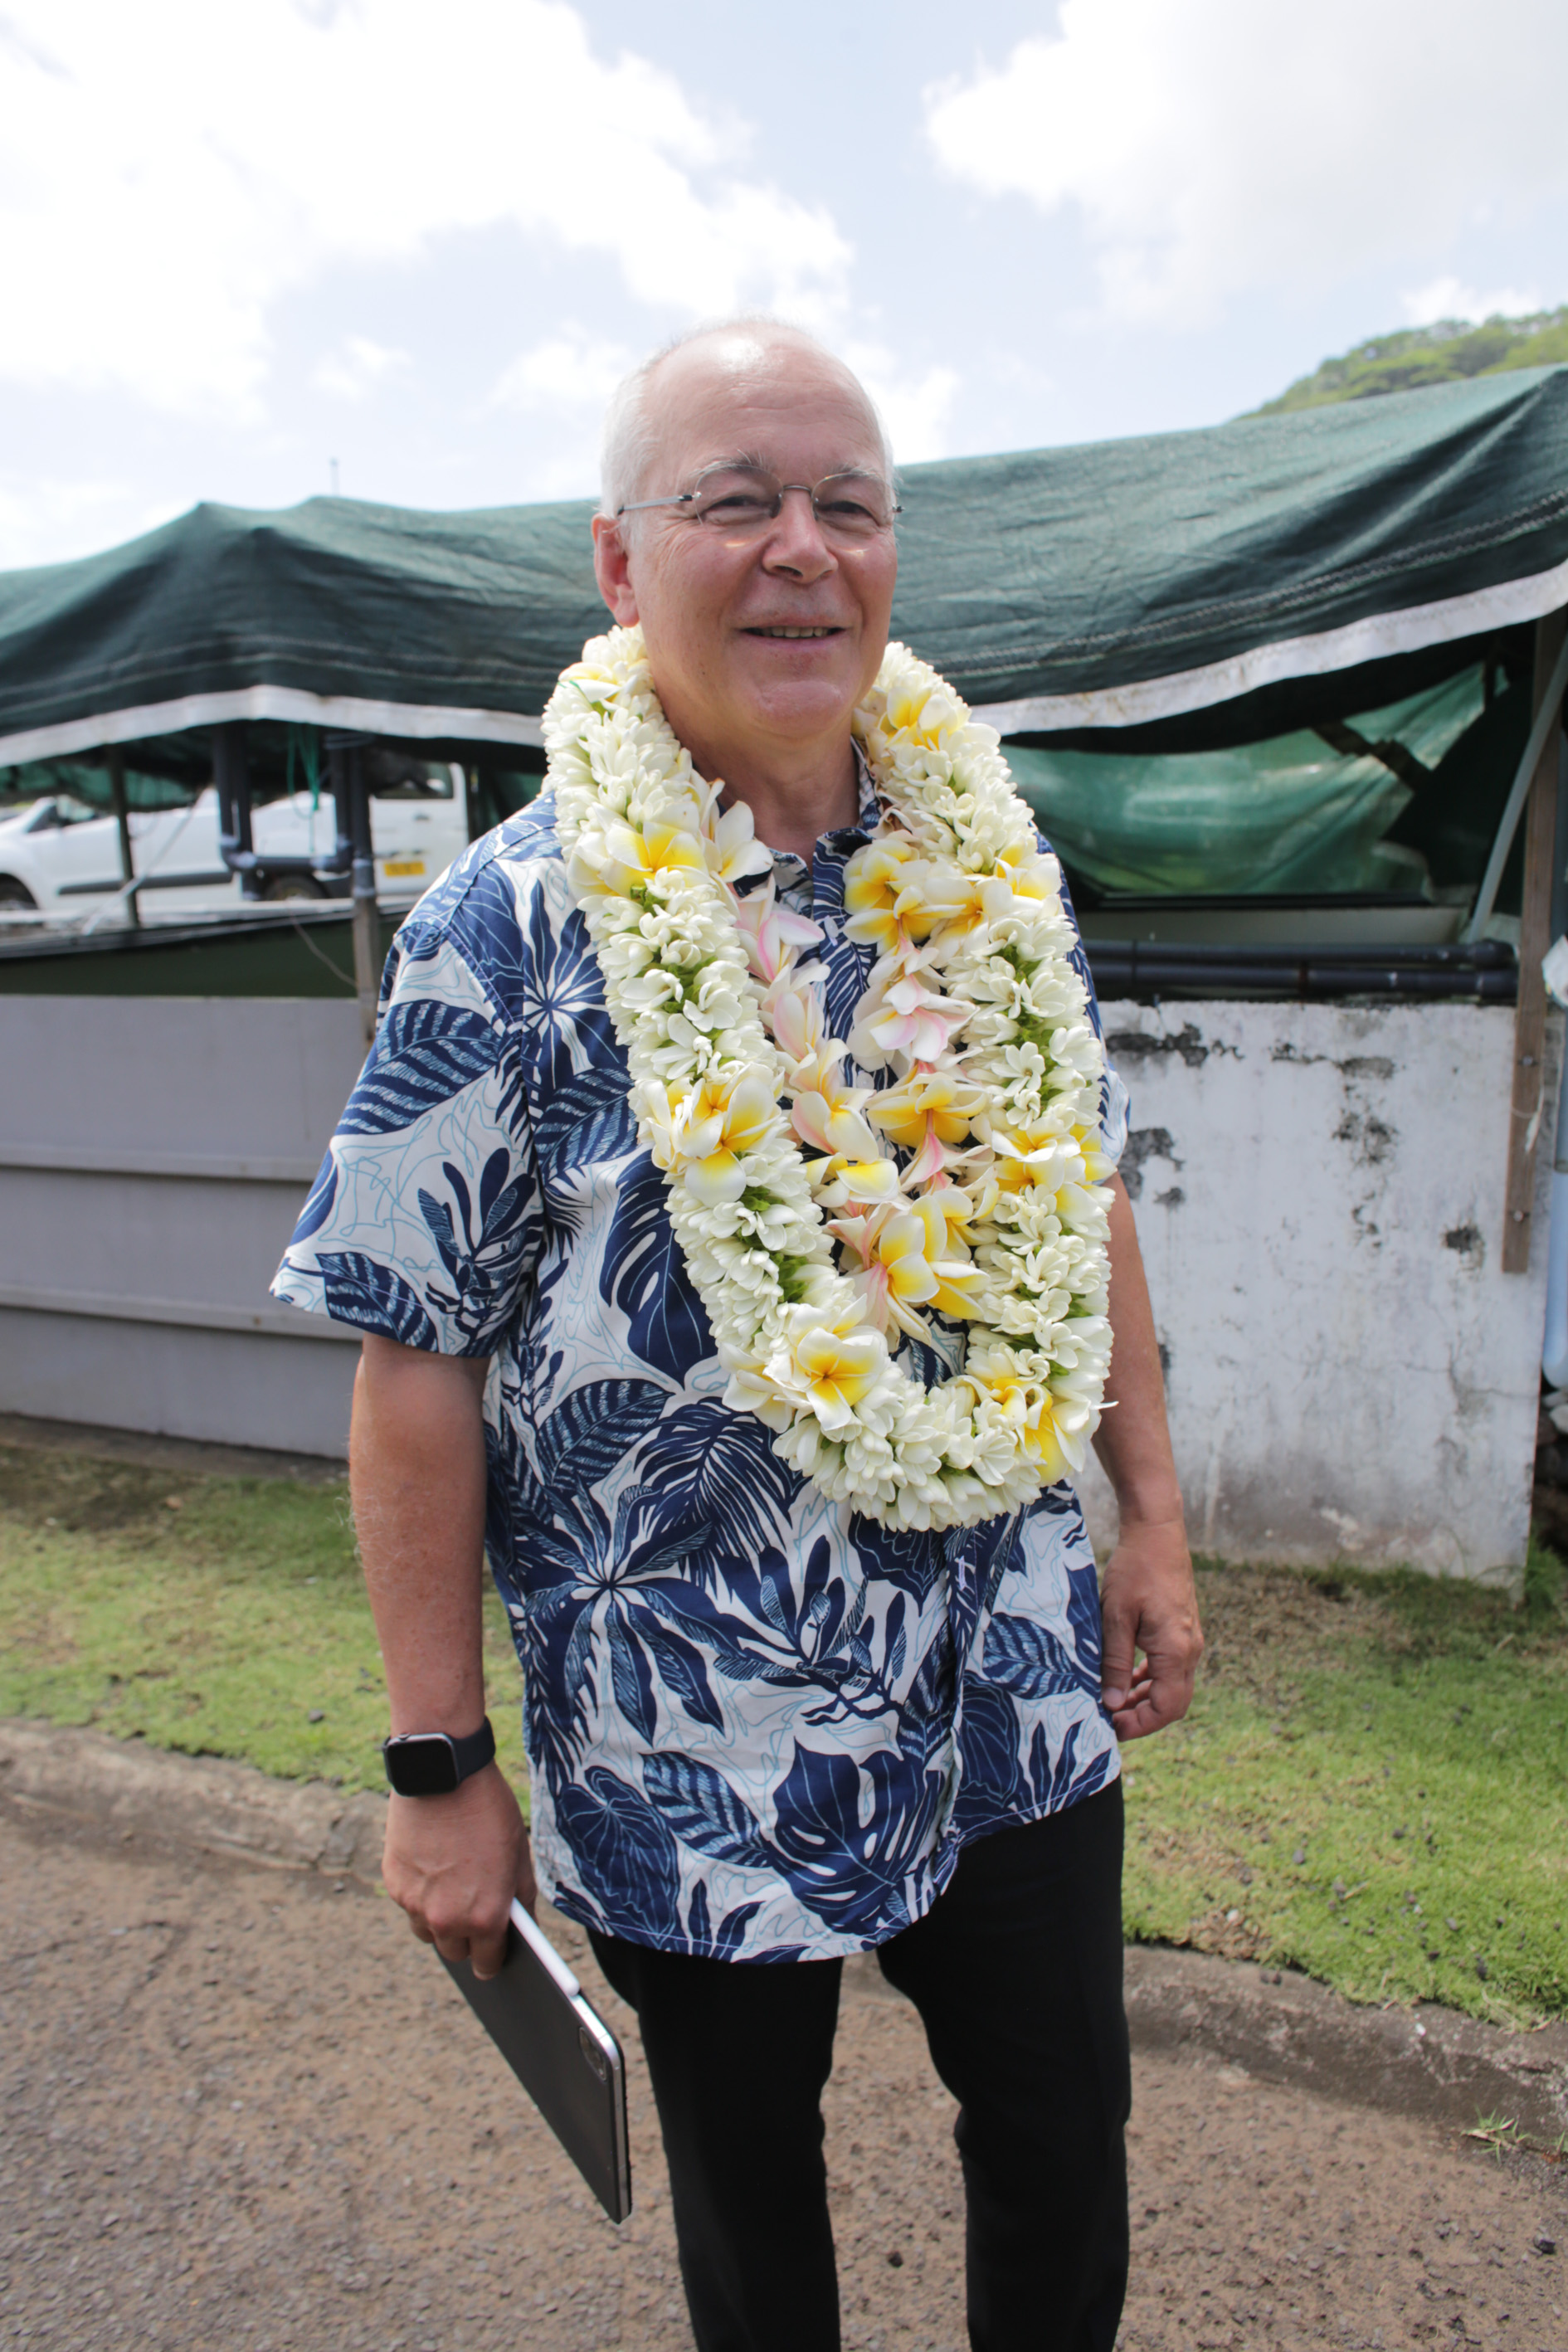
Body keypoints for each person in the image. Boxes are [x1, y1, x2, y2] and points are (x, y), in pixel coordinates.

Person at [273, 319, 1201, 2352]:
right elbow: (408, 1358)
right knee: (751, 2215)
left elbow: (1085, 1193)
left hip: (1017, 1682)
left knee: (1062, 2145)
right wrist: (439, 1759)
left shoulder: (988, 865)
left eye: (847, 506)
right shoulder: (505, 926)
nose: (803, 547)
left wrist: (1150, 1513)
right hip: (697, 1729)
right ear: (620, 567)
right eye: (737, 502)